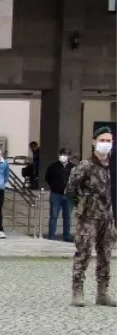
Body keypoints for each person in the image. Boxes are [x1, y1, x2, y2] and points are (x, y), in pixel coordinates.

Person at [65, 127, 115, 307]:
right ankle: (77, 292)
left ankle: (103, 293)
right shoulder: (85, 166)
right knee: (84, 254)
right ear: (94, 142)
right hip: (88, 218)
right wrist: (82, 205)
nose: (106, 144)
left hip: (106, 218)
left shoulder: (110, 165)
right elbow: (70, 189)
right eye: (103, 140)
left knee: (106, 255)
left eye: (109, 141)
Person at [45, 148, 75, 242]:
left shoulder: (73, 167)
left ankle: (66, 236)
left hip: (69, 196)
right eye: (62, 154)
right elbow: (48, 178)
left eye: (66, 154)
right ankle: (51, 236)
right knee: (53, 216)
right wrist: (54, 186)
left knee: (67, 217)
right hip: (56, 194)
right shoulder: (54, 166)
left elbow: (77, 180)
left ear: (69, 156)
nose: (63, 156)